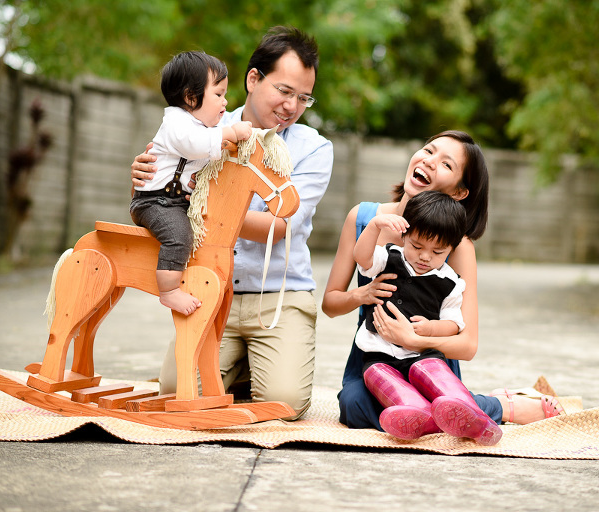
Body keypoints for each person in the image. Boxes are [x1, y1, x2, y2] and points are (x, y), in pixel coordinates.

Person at [131, 27, 333, 419]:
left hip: (278, 296)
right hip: (211, 287)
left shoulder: (313, 149)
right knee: (176, 393)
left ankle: (254, 364)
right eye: (285, 90)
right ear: (253, 79)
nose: (292, 106)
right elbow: (167, 180)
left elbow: (281, 227)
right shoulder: (202, 128)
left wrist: (212, 214)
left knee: (284, 403)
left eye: (303, 98)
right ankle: (239, 368)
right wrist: (145, 177)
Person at [322, 130, 563, 433]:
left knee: (432, 403)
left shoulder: (458, 247)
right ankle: (479, 408)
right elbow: (330, 304)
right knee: (354, 405)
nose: (430, 161)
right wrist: (362, 294)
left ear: (459, 192)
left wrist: (414, 340)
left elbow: (467, 344)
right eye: (428, 150)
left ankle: (497, 407)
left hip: (430, 363)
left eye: (447, 164)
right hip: (373, 359)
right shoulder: (364, 219)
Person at [353, 190, 503, 444]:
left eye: (437, 252)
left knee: (442, 379)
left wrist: (430, 329)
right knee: (386, 384)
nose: (425, 257)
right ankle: (424, 418)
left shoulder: (449, 282)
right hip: (379, 356)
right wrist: (375, 226)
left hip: (424, 355)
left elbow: (454, 324)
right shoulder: (389, 258)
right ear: (405, 236)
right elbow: (362, 257)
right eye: (417, 246)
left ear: (451, 249)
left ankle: (475, 419)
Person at [130, 51, 252, 316]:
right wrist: (231, 132)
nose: (225, 101)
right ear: (190, 97)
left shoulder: (203, 129)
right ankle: (169, 291)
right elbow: (194, 146)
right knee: (180, 236)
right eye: (218, 94)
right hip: (155, 201)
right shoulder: (176, 122)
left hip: (173, 201)